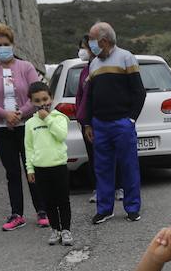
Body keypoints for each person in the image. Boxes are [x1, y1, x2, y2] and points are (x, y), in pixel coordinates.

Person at [0, 24, 46, 231]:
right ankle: (17, 213)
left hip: (26, 125)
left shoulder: (26, 67)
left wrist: (19, 114)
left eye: (6, 44)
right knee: (12, 172)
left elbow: (37, 93)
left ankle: (42, 210)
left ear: (12, 45)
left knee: (31, 167)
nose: (3, 48)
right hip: (0, 127)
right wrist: (4, 114)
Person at [85, 21, 147, 225]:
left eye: (92, 39)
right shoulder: (93, 64)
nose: (90, 43)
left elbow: (139, 91)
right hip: (100, 125)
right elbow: (90, 97)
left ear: (103, 40)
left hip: (122, 123)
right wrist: (88, 123)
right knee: (102, 168)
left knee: (128, 166)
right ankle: (104, 209)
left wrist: (130, 119)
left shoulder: (126, 57)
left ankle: (132, 208)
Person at [74, 35, 122, 205]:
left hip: (107, 119)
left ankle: (118, 187)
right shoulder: (84, 72)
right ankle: (98, 189)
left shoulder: (108, 67)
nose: (82, 51)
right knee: (94, 157)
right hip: (89, 123)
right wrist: (83, 119)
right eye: (81, 47)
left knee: (113, 155)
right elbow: (80, 96)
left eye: (85, 47)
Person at [24, 81, 73, 246]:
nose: (42, 103)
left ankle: (66, 230)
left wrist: (49, 119)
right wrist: (30, 168)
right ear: (31, 102)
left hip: (58, 166)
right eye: (37, 101)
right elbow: (29, 148)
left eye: (45, 99)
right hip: (40, 168)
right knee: (48, 201)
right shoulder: (30, 124)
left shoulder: (59, 117)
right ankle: (55, 229)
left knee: (62, 200)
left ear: (51, 98)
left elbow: (61, 135)